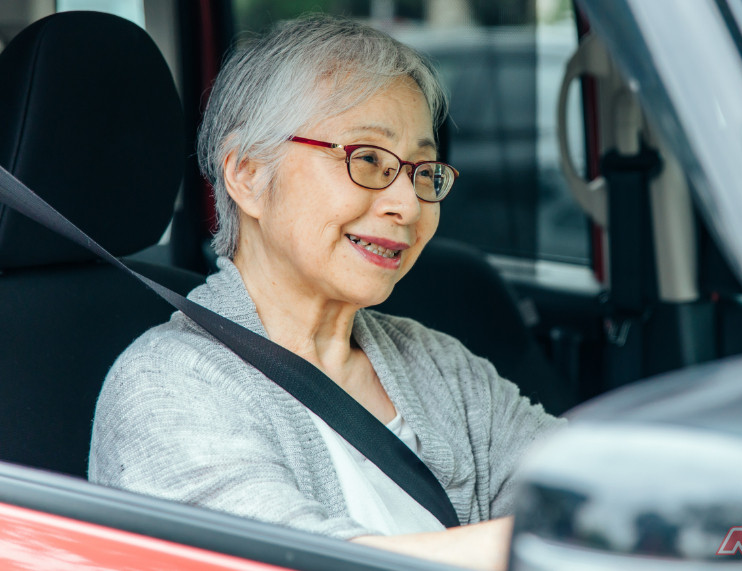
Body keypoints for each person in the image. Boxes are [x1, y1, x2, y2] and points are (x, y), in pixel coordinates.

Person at [88, 14, 563, 571]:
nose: (408, 206)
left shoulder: (438, 364)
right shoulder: (165, 387)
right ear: (247, 174)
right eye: (368, 159)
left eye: (422, 171)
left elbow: (580, 483)